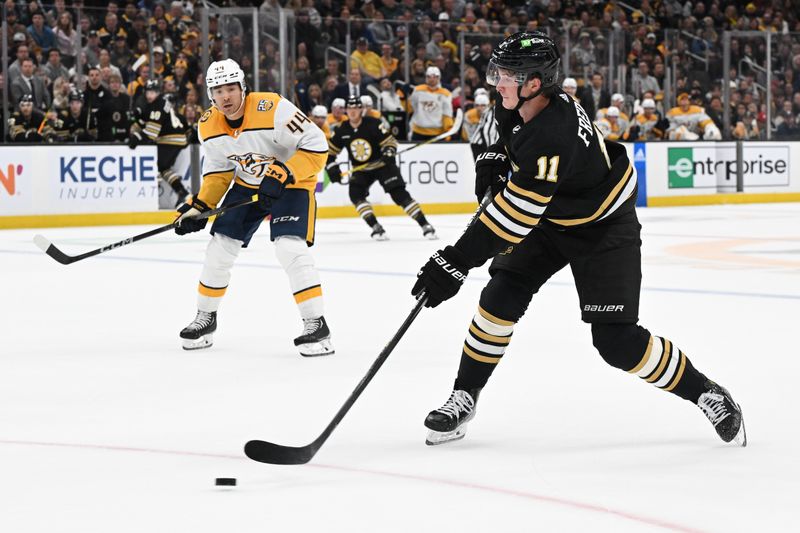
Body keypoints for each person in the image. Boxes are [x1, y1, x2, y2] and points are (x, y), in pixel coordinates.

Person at [410, 32, 746, 448]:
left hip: (602, 224)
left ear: (535, 83)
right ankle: (465, 395)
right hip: (552, 215)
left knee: (617, 342)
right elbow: (503, 139)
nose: (496, 83)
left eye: (507, 75)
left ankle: (705, 392)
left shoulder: (554, 131)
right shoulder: (521, 101)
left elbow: (513, 217)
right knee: (500, 296)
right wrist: (495, 156)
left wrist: (456, 261)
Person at [174, 58, 334, 357]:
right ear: (210, 94)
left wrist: (284, 172)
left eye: (231, 89)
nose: (226, 97)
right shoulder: (208, 125)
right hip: (249, 185)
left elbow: (317, 144)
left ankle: (316, 323)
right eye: (218, 90)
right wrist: (198, 206)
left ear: (243, 88)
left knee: (289, 246)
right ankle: (206, 318)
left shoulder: (272, 107)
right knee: (220, 245)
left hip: (292, 183)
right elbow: (220, 171)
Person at [326, 96, 437, 241]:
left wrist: (389, 152)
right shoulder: (342, 129)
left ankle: (425, 225)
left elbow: (390, 142)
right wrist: (332, 168)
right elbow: (330, 153)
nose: (353, 112)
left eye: (356, 108)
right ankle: (376, 228)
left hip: (383, 165)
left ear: (361, 109)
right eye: (350, 108)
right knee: (355, 194)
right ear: (346, 110)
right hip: (361, 169)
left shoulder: (373, 124)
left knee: (399, 195)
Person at [129, 79, 191, 205]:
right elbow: (145, 122)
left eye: (154, 92)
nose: (150, 95)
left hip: (170, 139)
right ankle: (183, 193)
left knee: (155, 165)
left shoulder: (157, 104)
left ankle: (151, 194)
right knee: (163, 168)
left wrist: (136, 137)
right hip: (174, 138)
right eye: (148, 92)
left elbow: (151, 134)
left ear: (158, 92)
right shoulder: (158, 103)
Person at [408, 66, 454, 141]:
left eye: (435, 77)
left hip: (437, 133)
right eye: (429, 77)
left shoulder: (446, 94)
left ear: (439, 78)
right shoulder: (418, 90)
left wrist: (448, 131)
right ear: (426, 78)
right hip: (418, 132)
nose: (432, 79)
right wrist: (404, 97)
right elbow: (411, 108)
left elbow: (447, 114)